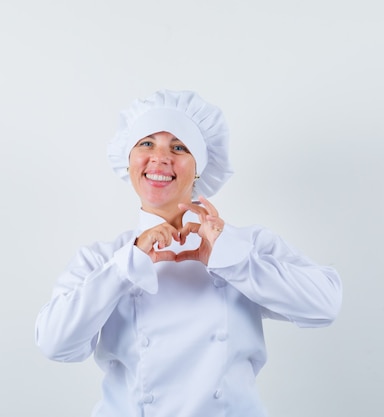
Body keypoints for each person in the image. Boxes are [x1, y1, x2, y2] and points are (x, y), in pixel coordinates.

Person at [35, 89, 342, 417]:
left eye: (178, 147)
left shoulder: (244, 246)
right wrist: (127, 266)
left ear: (199, 167)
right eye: (146, 144)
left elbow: (325, 306)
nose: (160, 158)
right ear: (129, 160)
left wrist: (231, 259)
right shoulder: (103, 259)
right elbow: (56, 345)